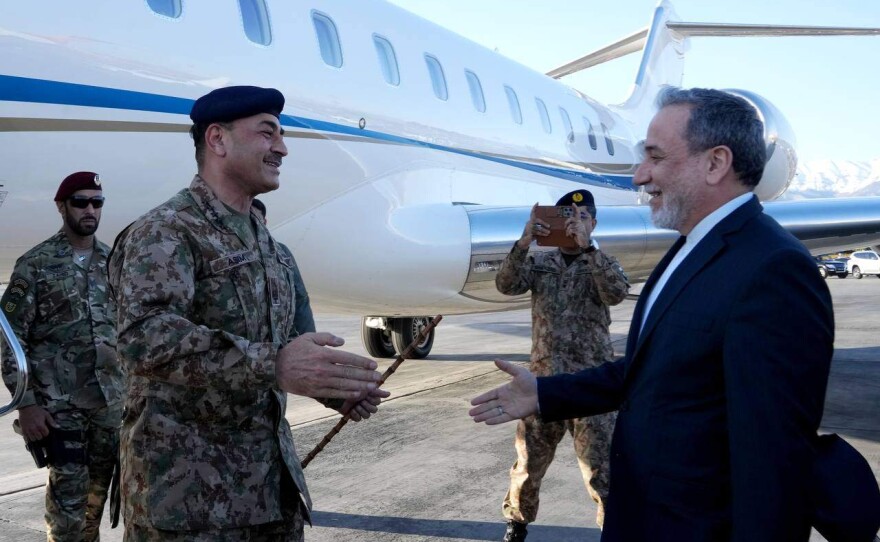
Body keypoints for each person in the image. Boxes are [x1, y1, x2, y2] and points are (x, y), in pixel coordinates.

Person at [469, 88, 836, 541]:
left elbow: (774, 459)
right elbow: (653, 370)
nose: (639, 176)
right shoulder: (690, 248)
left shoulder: (774, 269)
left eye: (655, 157)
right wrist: (546, 392)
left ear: (716, 163)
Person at [108, 86, 388, 541]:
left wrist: (336, 388)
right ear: (217, 140)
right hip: (188, 506)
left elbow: (295, 348)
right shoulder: (166, 231)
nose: (282, 148)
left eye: (281, 135)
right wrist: (273, 364)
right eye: (267, 132)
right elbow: (144, 338)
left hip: (271, 494)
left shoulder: (272, 248)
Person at [495, 189, 628, 541]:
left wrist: (589, 249)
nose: (574, 224)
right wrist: (524, 242)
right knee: (528, 464)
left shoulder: (602, 261)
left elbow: (616, 292)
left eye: (582, 218)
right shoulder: (541, 263)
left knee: (602, 470)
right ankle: (516, 525)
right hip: (543, 384)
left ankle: (613, 531)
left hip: (591, 387)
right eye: (567, 217)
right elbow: (506, 284)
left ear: (593, 223)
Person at [1, 171, 124, 541]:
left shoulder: (113, 261)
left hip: (108, 406)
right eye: (80, 202)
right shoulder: (35, 264)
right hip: (59, 409)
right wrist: (26, 404)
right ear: (61, 206)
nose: (90, 210)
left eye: (97, 202)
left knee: (93, 508)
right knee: (67, 513)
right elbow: (9, 339)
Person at [252, 198, 315, 337]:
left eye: (255, 219)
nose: (251, 225)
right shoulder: (221, 251)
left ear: (264, 222)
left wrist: (309, 339)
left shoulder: (281, 252)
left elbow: (300, 298)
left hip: (281, 342)